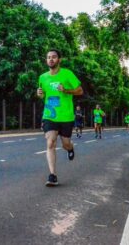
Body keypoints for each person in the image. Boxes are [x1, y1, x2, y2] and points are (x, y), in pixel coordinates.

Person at [37, 49, 83, 186]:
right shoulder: (42, 77)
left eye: (54, 57)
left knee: (65, 143)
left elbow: (80, 91)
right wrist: (39, 93)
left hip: (66, 116)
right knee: (50, 142)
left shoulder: (67, 74)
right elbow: (42, 95)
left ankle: (70, 148)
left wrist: (66, 90)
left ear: (59, 60)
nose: (51, 59)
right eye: (48, 57)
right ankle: (52, 175)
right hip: (49, 115)